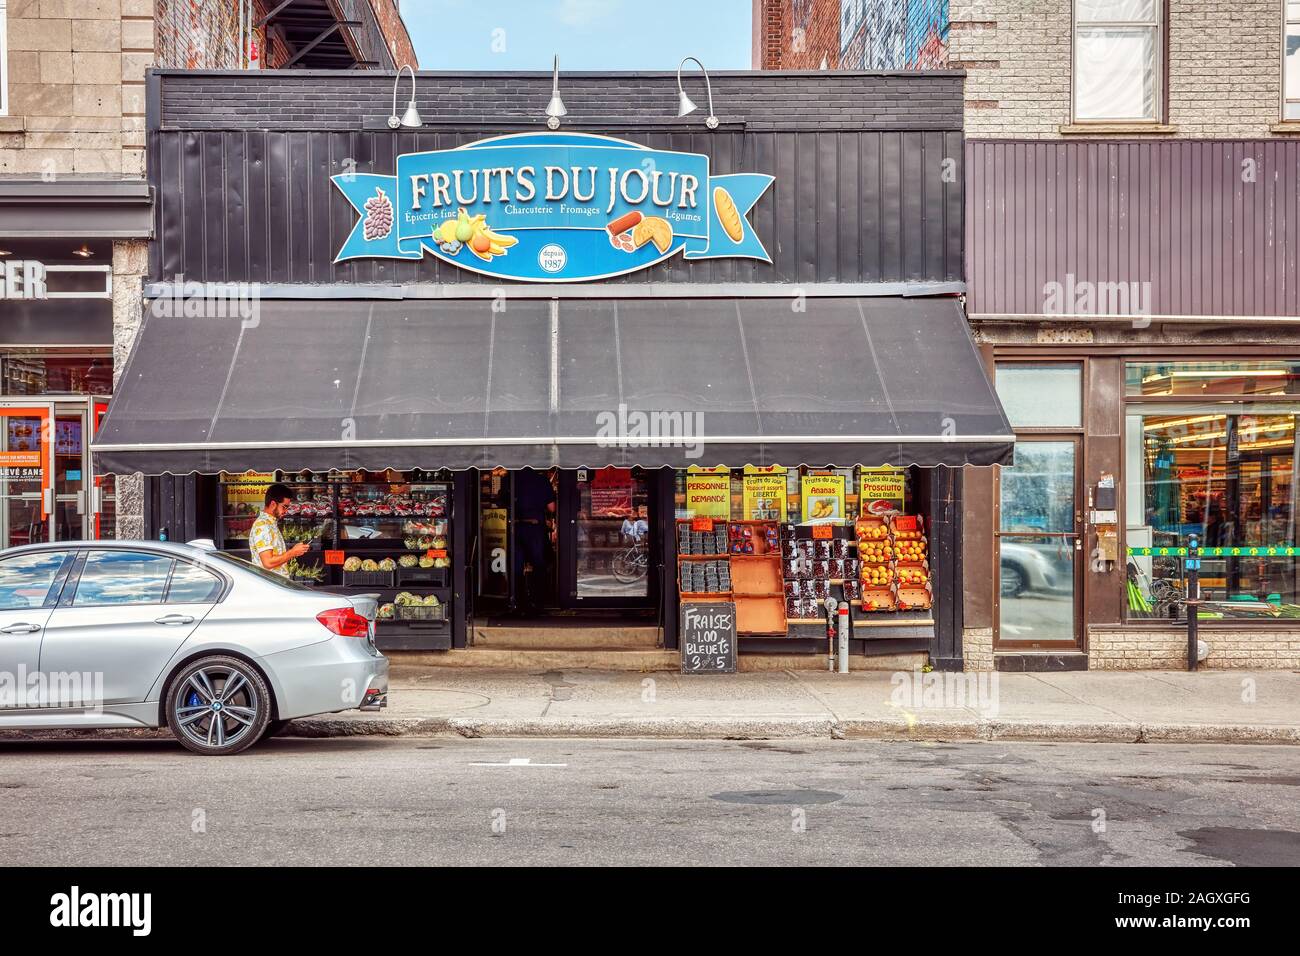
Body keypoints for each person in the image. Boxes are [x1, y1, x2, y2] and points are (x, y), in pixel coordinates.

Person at [512, 468, 555, 614]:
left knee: (516, 567)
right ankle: (538, 601)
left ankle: (518, 600)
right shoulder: (541, 480)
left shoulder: (510, 478)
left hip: (514, 527)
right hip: (534, 527)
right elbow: (552, 507)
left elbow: (502, 502)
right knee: (539, 564)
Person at [249, 482, 309, 577]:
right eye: (284, 507)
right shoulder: (263, 526)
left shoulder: (270, 524)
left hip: (275, 585)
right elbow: (268, 562)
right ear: (273, 504)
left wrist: (294, 552)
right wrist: (292, 552)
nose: (286, 511)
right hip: (270, 586)